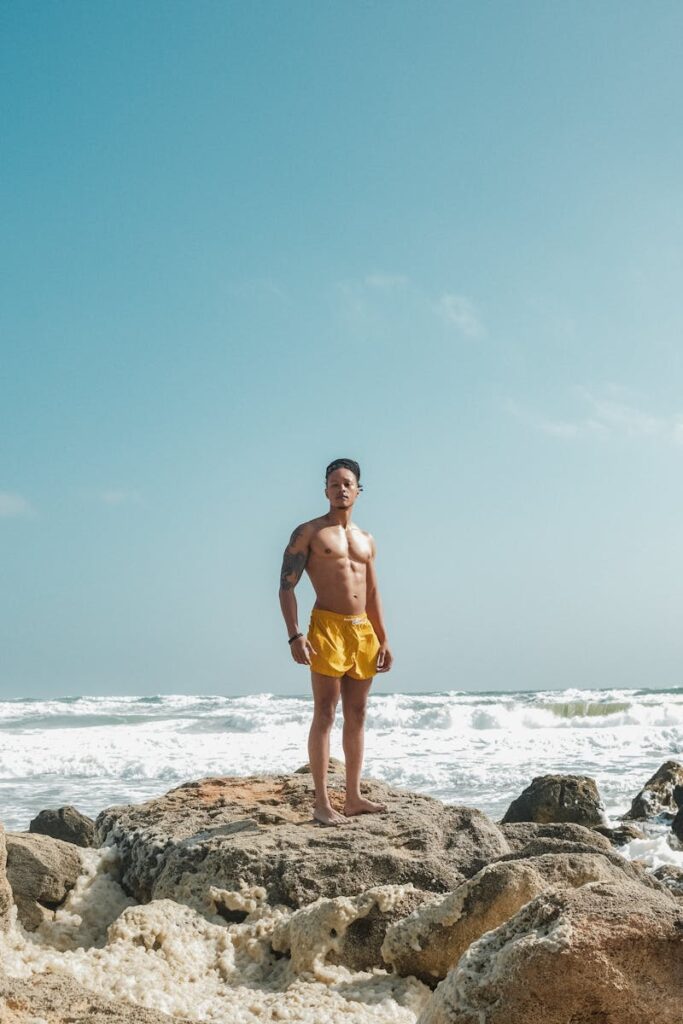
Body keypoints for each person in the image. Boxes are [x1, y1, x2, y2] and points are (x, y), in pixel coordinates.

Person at [278, 457, 393, 825]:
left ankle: (354, 797)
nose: (341, 489)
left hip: (362, 630)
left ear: (358, 490)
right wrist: (294, 634)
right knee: (325, 712)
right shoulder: (309, 532)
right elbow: (286, 586)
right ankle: (322, 803)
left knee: (357, 713)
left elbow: (372, 591)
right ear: (325, 490)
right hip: (327, 627)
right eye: (334, 484)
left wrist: (383, 638)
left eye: (347, 483)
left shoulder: (367, 539)